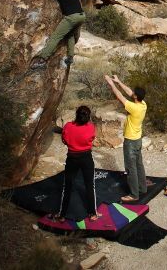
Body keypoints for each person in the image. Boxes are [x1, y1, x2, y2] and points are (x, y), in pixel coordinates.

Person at [28, 0, 85, 69]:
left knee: (56, 37)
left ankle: (42, 59)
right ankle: (70, 57)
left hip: (71, 17)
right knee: (70, 35)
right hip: (81, 16)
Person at [51, 105, 101, 222]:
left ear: (76, 115)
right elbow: (91, 139)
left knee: (67, 186)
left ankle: (62, 214)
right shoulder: (90, 127)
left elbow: (64, 141)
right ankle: (92, 213)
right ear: (88, 117)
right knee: (90, 185)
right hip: (86, 158)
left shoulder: (68, 126)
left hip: (72, 158)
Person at [104, 74, 148, 202]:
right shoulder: (142, 104)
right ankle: (142, 188)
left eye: (134, 93)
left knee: (131, 168)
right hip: (138, 140)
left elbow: (120, 97)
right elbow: (129, 93)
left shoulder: (134, 108)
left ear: (136, 96)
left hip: (130, 141)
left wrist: (111, 84)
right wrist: (118, 81)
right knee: (139, 164)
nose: (132, 92)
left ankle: (134, 194)